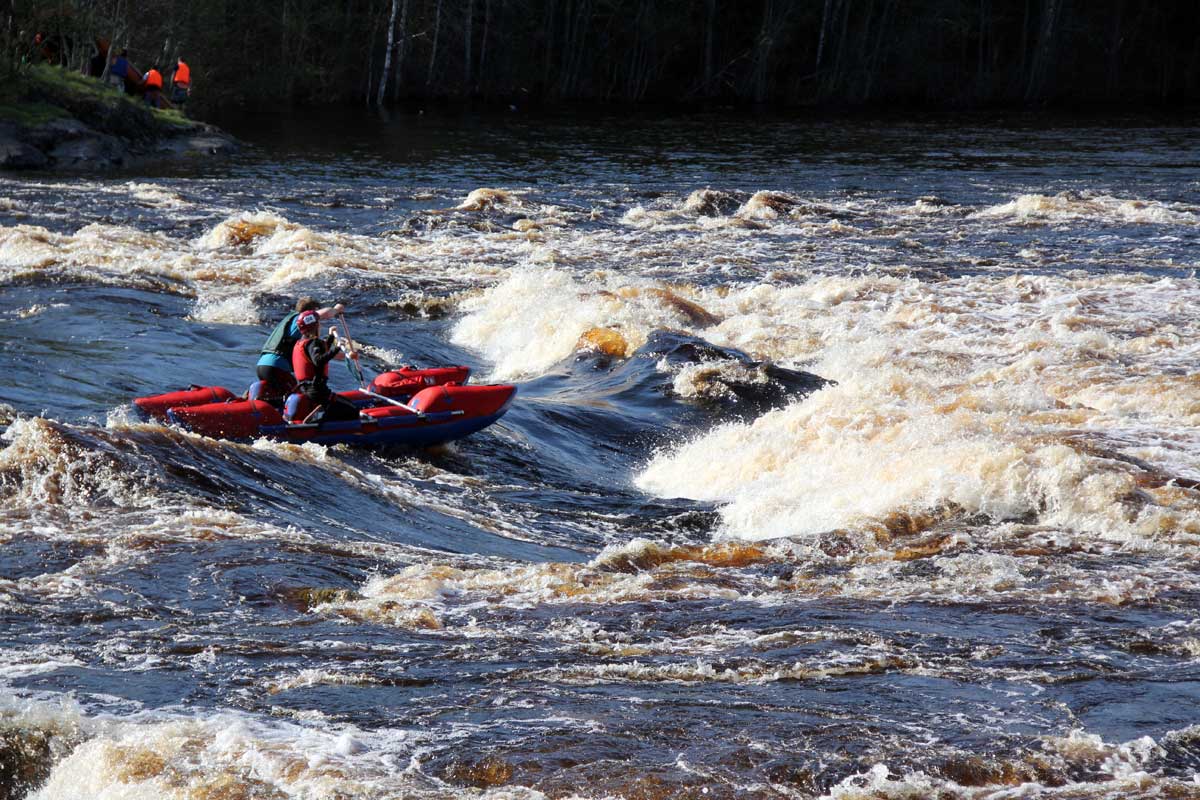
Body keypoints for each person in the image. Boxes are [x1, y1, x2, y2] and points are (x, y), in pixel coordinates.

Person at [256, 298, 343, 401]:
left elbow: (312, 354)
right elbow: (326, 313)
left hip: (263, 366)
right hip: (276, 367)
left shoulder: (290, 321)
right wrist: (337, 309)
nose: (319, 324)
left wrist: (338, 354)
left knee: (284, 396)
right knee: (298, 399)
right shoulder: (299, 320)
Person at [286, 310, 361, 423]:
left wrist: (331, 337)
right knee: (353, 410)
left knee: (343, 405)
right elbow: (318, 360)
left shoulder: (302, 342)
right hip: (318, 392)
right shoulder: (313, 343)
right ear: (316, 326)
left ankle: (321, 414)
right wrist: (337, 348)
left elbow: (320, 350)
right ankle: (320, 417)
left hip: (306, 389)